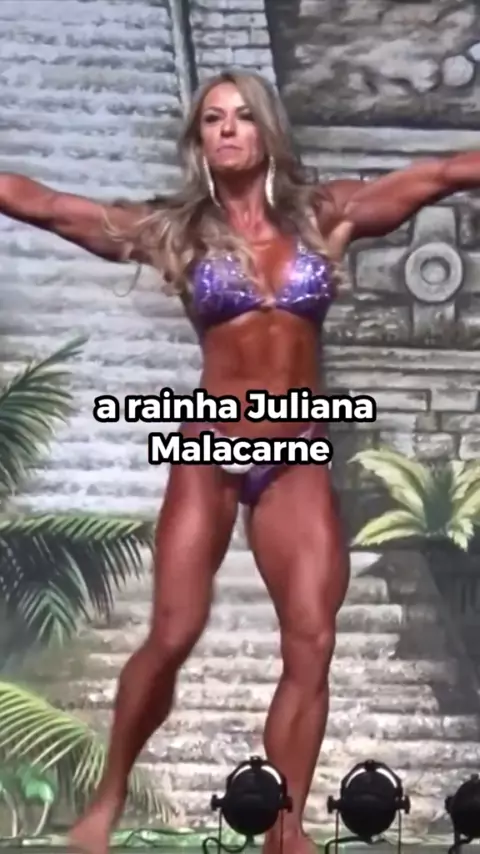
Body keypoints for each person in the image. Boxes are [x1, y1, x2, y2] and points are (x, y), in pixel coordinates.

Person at [0, 68, 479, 854]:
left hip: (293, 455)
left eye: (241, 116)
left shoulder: (326, 213)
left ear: (265, 130)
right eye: (212, 119)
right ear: (198, 139)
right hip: (213, 449)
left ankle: (285, 828)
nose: (226, 129)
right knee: (173, 633)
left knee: (312, 641)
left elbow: (444, 173)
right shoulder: (176, 231)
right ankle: (108, 796)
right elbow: (50, 205)